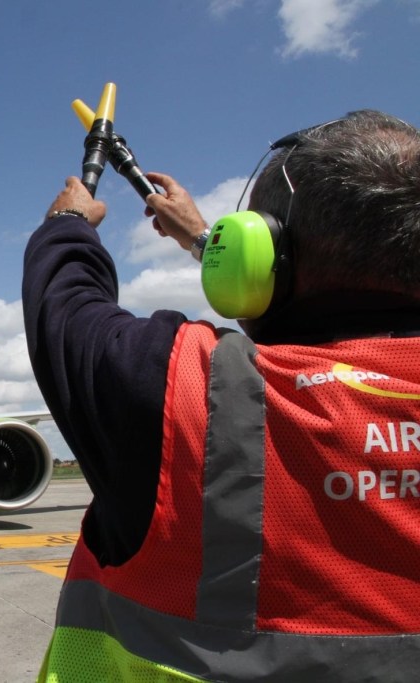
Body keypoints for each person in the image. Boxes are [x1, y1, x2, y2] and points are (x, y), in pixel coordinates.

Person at [22, 110, 420, 681]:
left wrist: (67, 222)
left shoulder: (182, 390)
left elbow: (65, 303)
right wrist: (202, 239)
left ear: (254, 255)